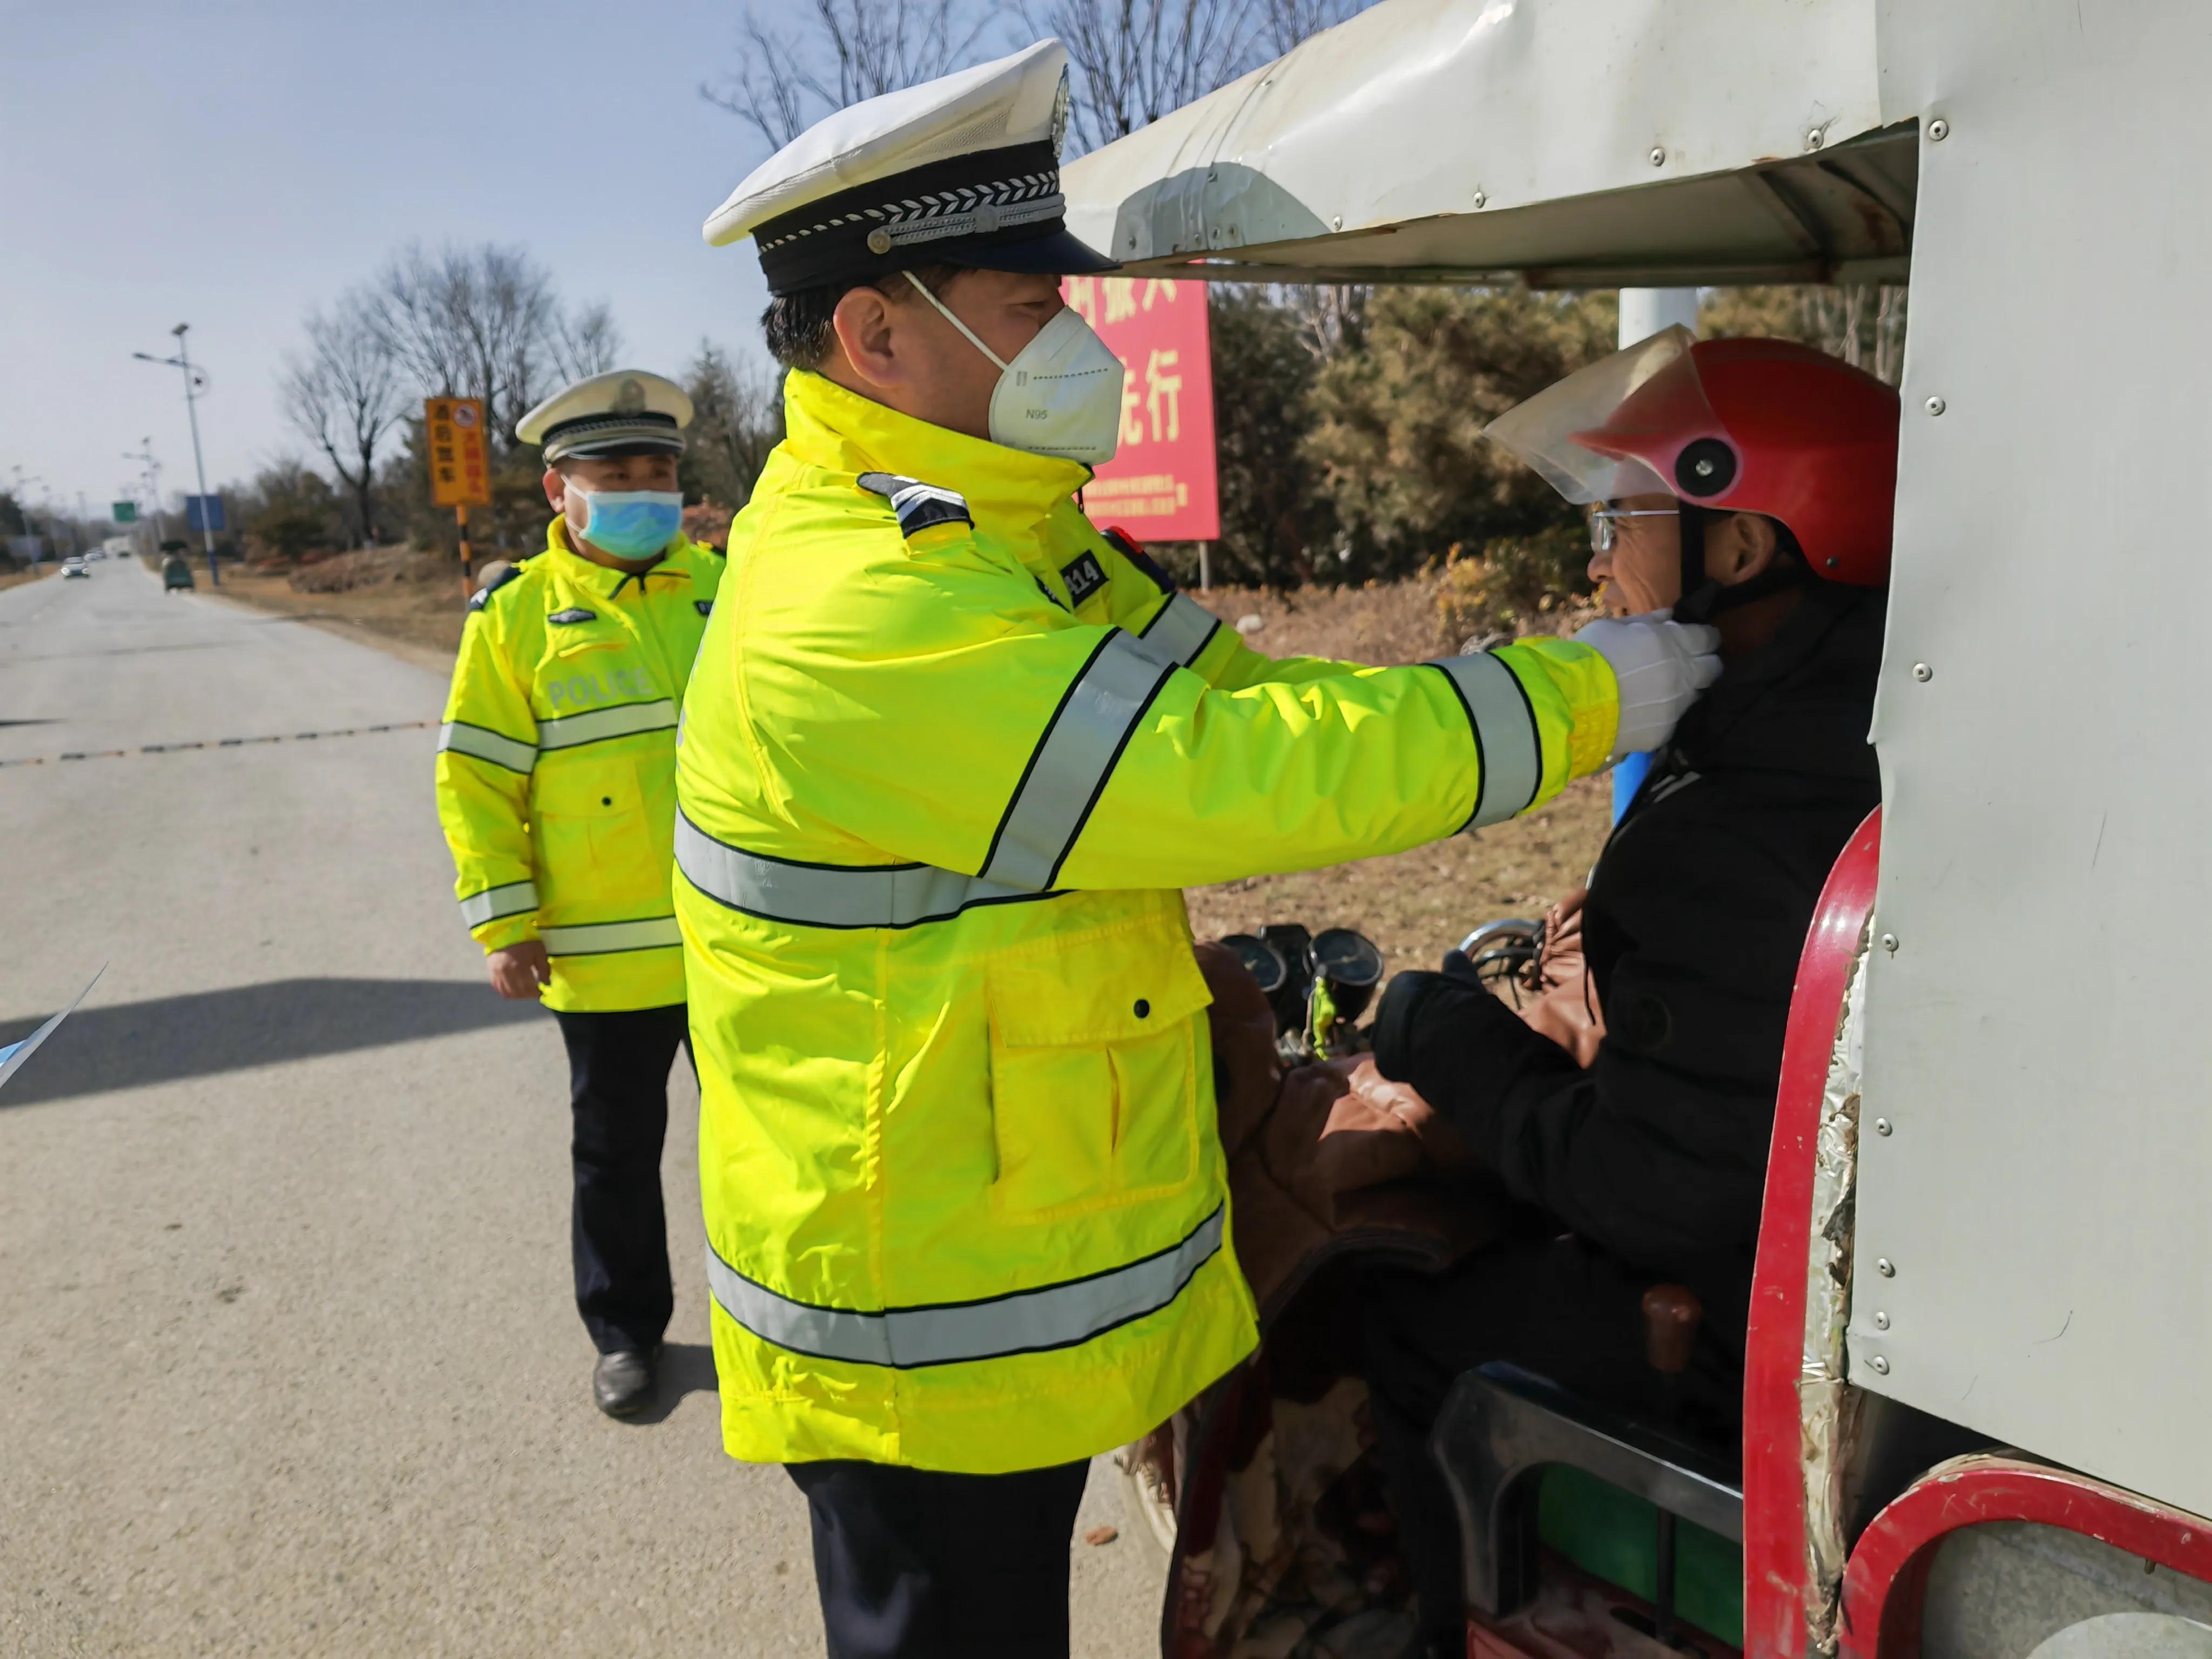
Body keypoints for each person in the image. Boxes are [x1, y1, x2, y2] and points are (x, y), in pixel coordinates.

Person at [677, 41, 1721, 1658]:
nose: (1079, 345)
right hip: (921, 1307)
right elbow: (1229, 773)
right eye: (1033, 313)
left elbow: (1248, 689)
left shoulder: (1021, 546)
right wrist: (1582, 697)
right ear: (879, 337)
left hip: (996, 1235)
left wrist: (1499, 683)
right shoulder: (858, 608)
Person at [1355, 328, 1898, 1656]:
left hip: (1737, 1338)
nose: (1595, 562)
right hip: (1855, 1293)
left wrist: (1445, 1036)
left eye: (1621, 522)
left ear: (1742, 547)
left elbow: (1645, 1187)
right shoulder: (1852, 734)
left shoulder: (1745, 821)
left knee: (1387, 1313)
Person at [433, 369, 721, 1418]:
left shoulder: (723, 590)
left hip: (739, 942)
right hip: (602, 963)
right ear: (560, 491)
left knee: (763, 1149)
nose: (645, 490)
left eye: (659, 472)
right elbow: (474, 778)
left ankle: (778, 1321)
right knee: (615, 1157)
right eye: (617, 473)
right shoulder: (514, 619)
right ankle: (627, 1332)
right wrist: (504, 923)